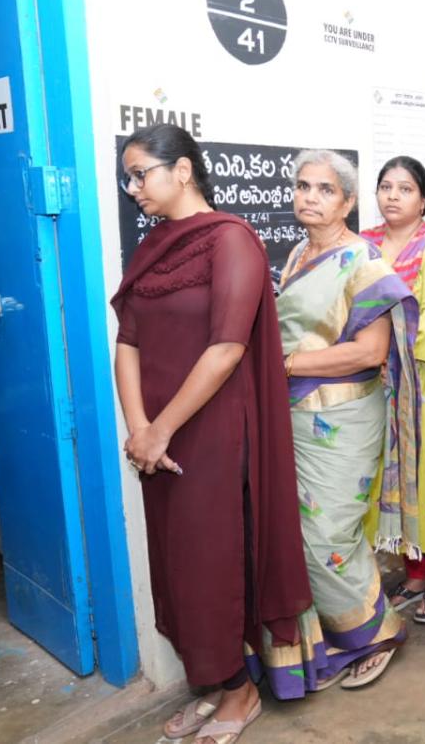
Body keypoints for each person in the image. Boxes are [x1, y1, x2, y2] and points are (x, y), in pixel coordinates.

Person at [111, 124, 310, 742]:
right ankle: (216, 679)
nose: (133, 187)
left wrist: (162, 427)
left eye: (141, 172)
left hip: (211, 431)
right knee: (176, 562)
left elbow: (227, 348)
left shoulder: (232, 241)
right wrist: (141, 427)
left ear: (183, 170)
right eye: (128, 176)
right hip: (158, 437)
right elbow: (129, 341)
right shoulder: (152, 247)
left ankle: (239, 691)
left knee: (211, 561)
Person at [277, 149, 419, 691]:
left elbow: (368, 353)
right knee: (301, 531)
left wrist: (284, 365)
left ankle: (376, 632)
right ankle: (330, 638)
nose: (310, 197)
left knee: (328, 534)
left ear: (349, 201)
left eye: (325, 189)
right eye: (303, 186)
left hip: (342, 418)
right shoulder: (297, 255)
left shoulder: (364, 262)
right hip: (290, 415)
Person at [362, 156, 425, 624]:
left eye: (405, 188)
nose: (393, 196)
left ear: (423, 199)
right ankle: (414, 573)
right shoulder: (363, 244)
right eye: (386, 186)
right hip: (375, 382)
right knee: (392, 478)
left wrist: (379, 348)